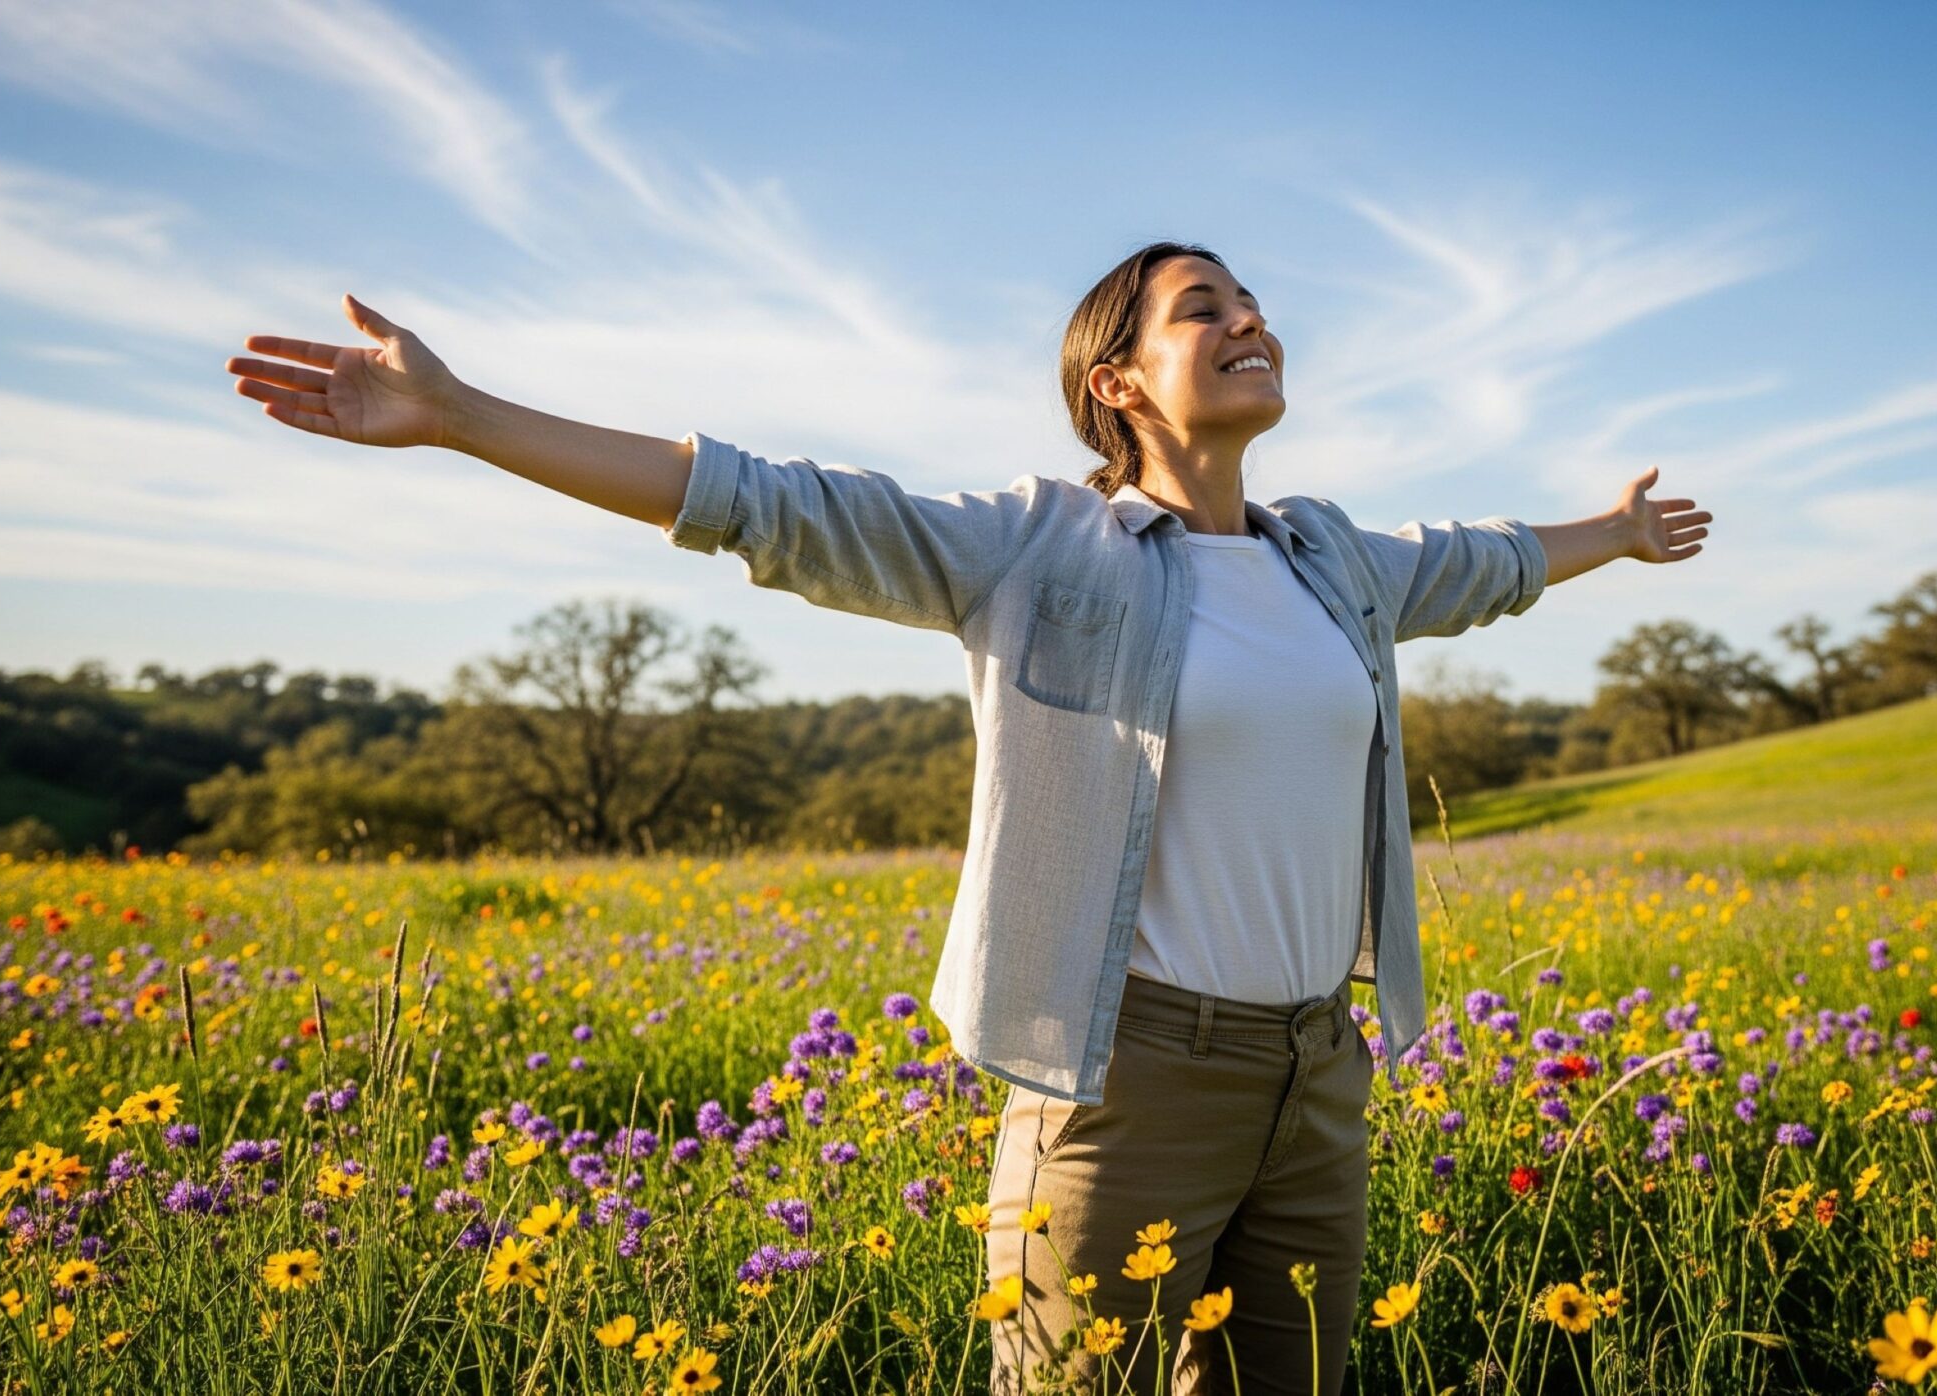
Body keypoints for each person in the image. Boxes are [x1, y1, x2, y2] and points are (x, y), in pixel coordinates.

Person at [225, 239, 1710, 1394]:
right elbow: (761, 499)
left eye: (1255, 300)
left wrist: (1620, 537)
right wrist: (467, 416)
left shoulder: (1337, 562)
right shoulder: (1038, 549)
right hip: (1130, 1082)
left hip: (1319, 1078)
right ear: (1117, 384)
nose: (1252, 320)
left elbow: (1491, 558)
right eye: (1205, 308)